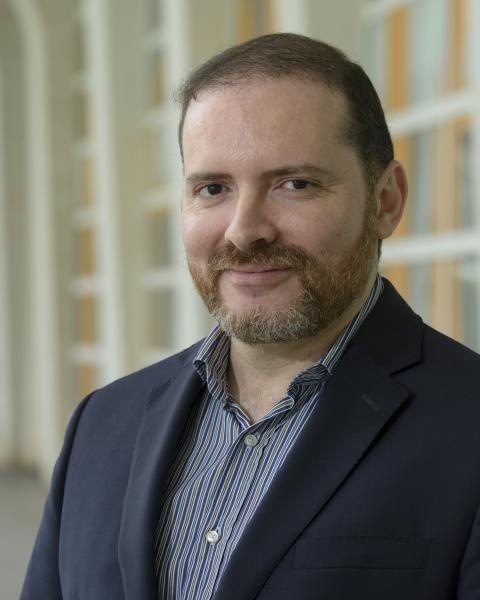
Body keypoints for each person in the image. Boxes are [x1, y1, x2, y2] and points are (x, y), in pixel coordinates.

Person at [22, 33, 480, 600]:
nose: (244, 231)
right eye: (212, 188)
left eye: (295, 184)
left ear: (385, 201)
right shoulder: (101, 422)